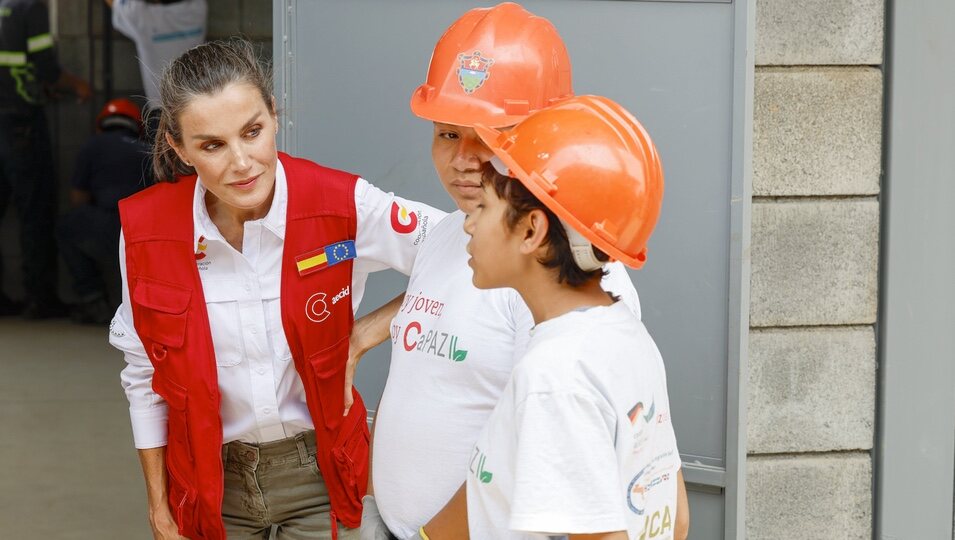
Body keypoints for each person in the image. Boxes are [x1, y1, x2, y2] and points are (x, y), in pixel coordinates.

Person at [359, 3, 686, 539]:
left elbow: (557, 460)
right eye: (447, 134)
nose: (465, 159)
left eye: (489, 136)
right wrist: (372, 327)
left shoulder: (575, 301)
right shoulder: (451, 234)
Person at [108, 39, 445, 540]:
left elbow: (462, 247)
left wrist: (369, 328)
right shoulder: (146, 231)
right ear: (179, 148)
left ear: (274, 115)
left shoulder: (341, 204)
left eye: (252, 132)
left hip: (322, 477)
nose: (242, 162)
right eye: (212, 145)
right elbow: (142, 373)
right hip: (209, 483)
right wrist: (159, 505)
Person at [421, 94, 684, 539]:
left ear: (531, 231)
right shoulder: (626, 337)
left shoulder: (553, 378)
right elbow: (676, 520)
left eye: (482, 208)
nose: (467, 223)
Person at [0, 0, 91, 318]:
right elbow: (45, 67)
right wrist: (75, 84)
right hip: (20, 121)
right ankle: (39, 297)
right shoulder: (30, 7)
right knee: (35, 209)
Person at [59, 97, 152, 324]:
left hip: (106, 224)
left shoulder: (92, 146)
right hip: (145, 232)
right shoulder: (149, 150)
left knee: (68, 226)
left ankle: (93, 300)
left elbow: (77, 198)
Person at [105, 0, 207, 140]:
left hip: (162, 116)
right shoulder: (197, 10)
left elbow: (115, 3)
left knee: (162, 161)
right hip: (198, 108)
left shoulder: (141, 17)